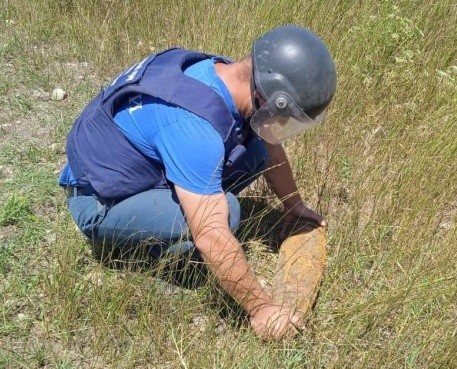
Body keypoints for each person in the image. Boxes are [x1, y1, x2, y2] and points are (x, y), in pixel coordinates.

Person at [57, 25, 336, 340]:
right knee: (224, 215)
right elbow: (211, 236)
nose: (286, 127)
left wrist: (295, 207)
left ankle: (188, 198)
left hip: (131, 160)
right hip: (99, 199)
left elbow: (269, 146)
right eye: (287, 118)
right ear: (267, 97)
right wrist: (262, 309)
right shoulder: (194, 131)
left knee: (257, 149)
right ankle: (152, 257)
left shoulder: (230, 77)